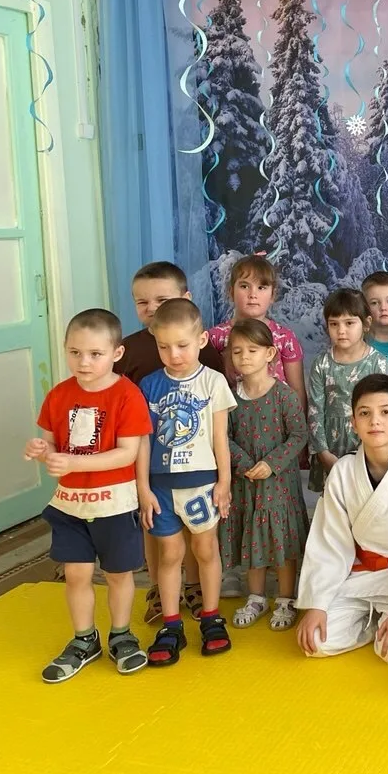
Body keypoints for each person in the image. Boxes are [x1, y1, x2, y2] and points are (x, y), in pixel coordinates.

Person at [25, 309, 152, 682]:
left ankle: (121, 635)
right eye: (75, 352)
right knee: (76, 574)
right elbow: (50, 444)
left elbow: (127, 453)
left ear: (116, 353)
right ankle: (84, 639)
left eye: (95, 354)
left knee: (118, 574)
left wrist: (72, 463)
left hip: (115, 504)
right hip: (69, 506)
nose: (84, 362)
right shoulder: (58, 395)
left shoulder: (127, 395)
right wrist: (41, 451)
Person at [295, 375, 388, 663]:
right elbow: (330, 541)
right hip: (359, 573)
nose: (375, 421)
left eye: (385, 412)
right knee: (314, 642)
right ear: (354, 422)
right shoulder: (343, 471)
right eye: (365, 413)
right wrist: (317, 603)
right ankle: (369, 623)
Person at [119, 261, 224, 624]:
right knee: (157, 532)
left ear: (185, 298)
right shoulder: (128, 350)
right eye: (142, 302)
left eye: (161, 300)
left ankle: (194, 587)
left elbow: (214, 414)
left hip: (195, 466)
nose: (152, 309)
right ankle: (159, 591)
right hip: (148, 461)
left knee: (197, 532)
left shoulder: (204, 353)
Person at [137, 298, 237, 663]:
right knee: (170, 554)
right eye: (164, 347)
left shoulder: (213, 381)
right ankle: (171, 625)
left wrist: (224, 482)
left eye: (182, 345)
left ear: (201, 340)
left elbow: (220, 438)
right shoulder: (149, 385)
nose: (174, 354)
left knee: (206, 550)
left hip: (202, 485)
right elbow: (143, 442)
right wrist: (143, 488)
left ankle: (211, 617)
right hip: (161, 487)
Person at [222, 319, 310, 632]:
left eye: (252, 350)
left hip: (279, 485)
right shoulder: (230, 398)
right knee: (252, 538)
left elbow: (299, 435)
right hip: (246, 484)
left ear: (270, 353)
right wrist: (244, 463)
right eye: (237, 351)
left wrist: (272, 463)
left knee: (282, 540)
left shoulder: (284, 396)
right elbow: (223, 437)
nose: (244, 357)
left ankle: (286, 598)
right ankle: (256, 597)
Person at [306, 287, 388, 494]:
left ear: (366, 324)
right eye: (334, 324)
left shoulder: (378, 363)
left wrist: (374, 451)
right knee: (333, 501)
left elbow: (385, 410)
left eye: (349, 323)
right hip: (331, 446)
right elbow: (315, 411)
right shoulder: (321, 364)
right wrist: (323, 453)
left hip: (368, 444)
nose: (341, 330)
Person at [206, 254, 307, 416]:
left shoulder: (284, 338)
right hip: (232, 422)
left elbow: (297, 390)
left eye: (261, 287)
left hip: (277, 422)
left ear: (273, 295)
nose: (253, 294)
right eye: (244, 286)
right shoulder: (215, 338)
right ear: (231, 291)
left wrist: (299, 426)